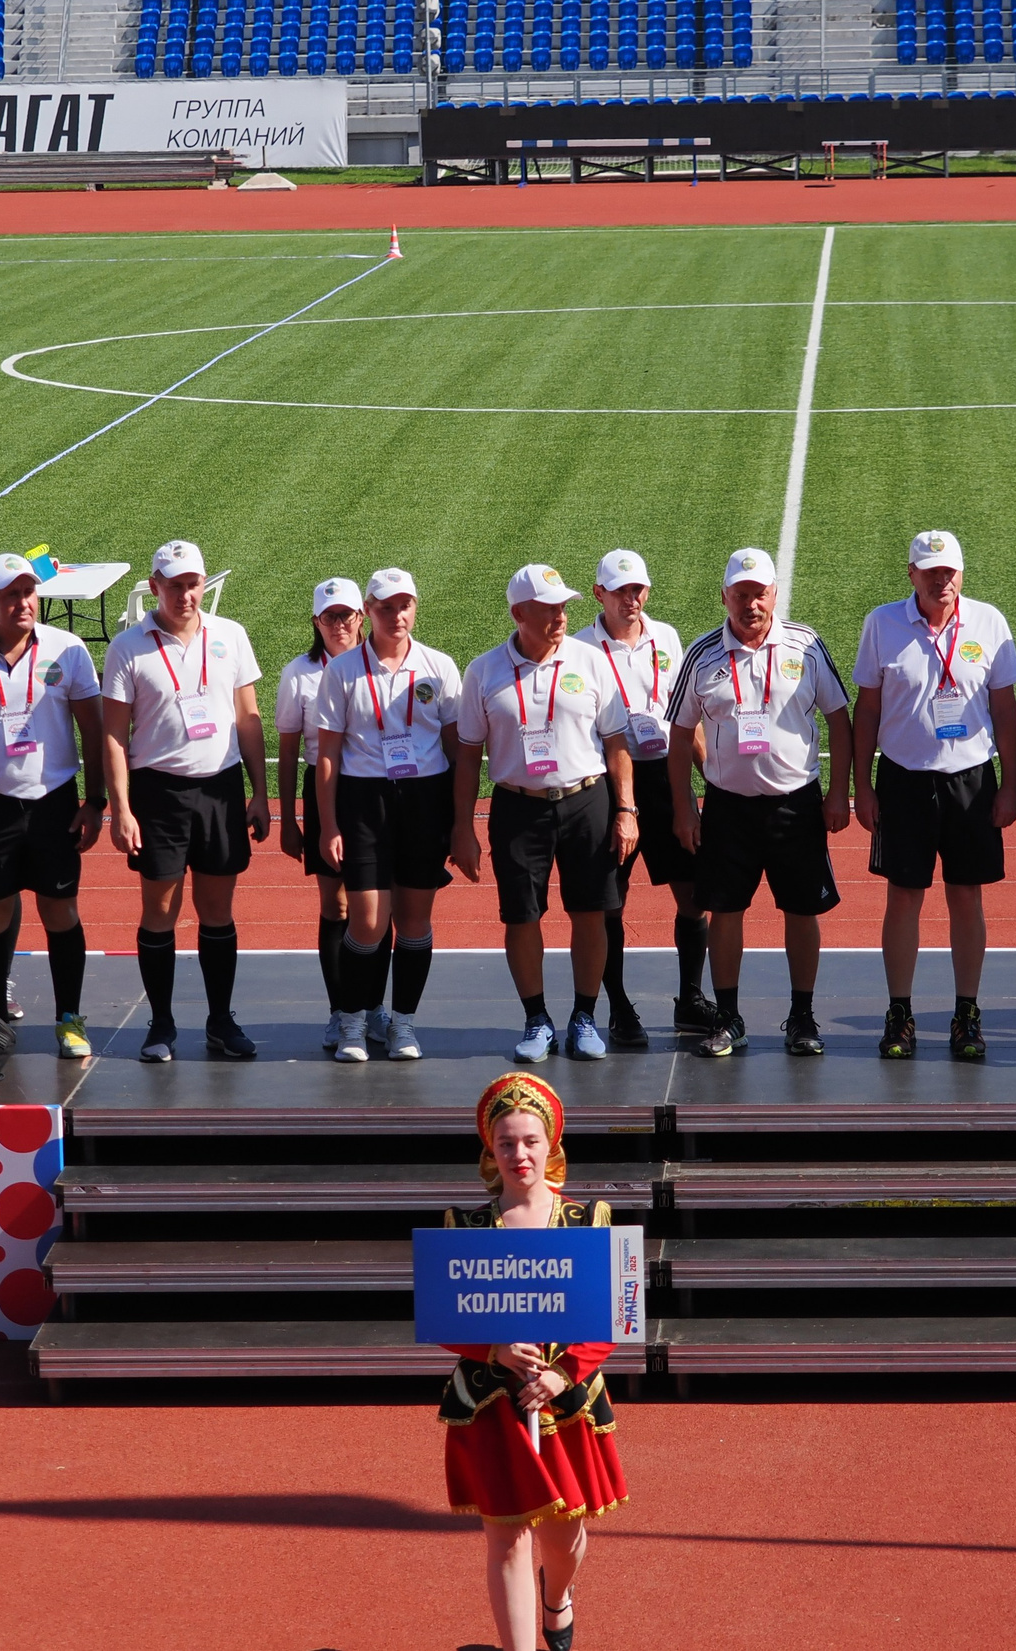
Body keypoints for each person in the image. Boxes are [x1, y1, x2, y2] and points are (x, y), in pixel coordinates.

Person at [440, 1071, 628, 1651]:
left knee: (563, 1534)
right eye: (506, 1143)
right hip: (494, 1403)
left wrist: (563, 1372)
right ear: (489, 1151)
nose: (519, 1155)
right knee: (506, 1535)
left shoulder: (592, 1220)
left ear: (551, 1145)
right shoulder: (465, 1226)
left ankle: (557, 1598)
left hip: (566, 1402)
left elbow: (618, 1312)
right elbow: (446, 1316)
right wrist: (491, 1348)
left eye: (529, 1141)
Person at [666, 548, 853, 1057]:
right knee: (726, 911)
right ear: (725, 596)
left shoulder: (807, 645)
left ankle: (802, 1016)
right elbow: (680, 735)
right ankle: (729, 1017)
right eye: (741, 594)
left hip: (798, 804)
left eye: (760, 593)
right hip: (729, 808)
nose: (752, 604)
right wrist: (685, 808)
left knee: (802, 910)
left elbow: (839, 717)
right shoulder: (702, 654)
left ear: (774, 594)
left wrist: (840, 792)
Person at [452, 564, 636, 1064]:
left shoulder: (591, 660)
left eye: (563, 606)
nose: (560, 615)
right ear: (518, 613)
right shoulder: (484, 671)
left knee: (592, 911)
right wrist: (462, 827)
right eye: (548, 607)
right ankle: (536, 1019)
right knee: (521, 917)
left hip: (587, 800)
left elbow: (616, 741)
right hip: (517, 807)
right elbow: (468, 754)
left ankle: (583, 1017)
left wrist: (626, 809)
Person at [850, 530, 1016, 1062]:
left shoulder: (989, 623)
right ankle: (899, 1012)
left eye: (949, 571)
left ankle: (966, 1012)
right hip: (903, 780)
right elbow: (869, 710)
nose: (941, 579)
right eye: (930, 571)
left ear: (961, 573)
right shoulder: (882, 623)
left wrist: (1013, 785)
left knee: (966, 895)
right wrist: (863, 785)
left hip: (971, 779)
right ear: (912, 574)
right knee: (903, 896)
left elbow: (1004, 711)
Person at [0, 553, 107, 1060]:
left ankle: (69, 1018)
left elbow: (93, 731)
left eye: (28, 592)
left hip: (54, 802)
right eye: (10, 594)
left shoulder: (68, 650)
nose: (23, 602)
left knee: (60, 910)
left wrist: (96, 801)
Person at [102, 540, 270, 1062]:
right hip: (159, 792)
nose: (186, 595)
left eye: (193, 583)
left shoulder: (231, 635)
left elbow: (248, 717)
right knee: (161, 911)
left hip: (220, 787)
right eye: (174, 585)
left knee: (217, 910)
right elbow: (112, 735)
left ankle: (221, 1021)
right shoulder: (129, 647)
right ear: (155, 586)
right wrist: (121, 808)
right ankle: (162, 1025)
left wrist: (259, 792)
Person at [314, 567, 463, 1063]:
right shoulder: (342, 671)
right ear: (369, 613)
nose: (396, 615)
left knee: (415, 920)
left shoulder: (439, 666)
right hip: (363, 800)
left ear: (415, 607)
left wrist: (459, 818)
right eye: (385, 607)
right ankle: (354, 1022)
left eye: (405, 605)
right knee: (368, 922)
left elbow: (454, 746)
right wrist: (329, 823)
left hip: (424, 797)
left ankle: (403, 1024)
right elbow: (329, 752)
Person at [583, 549, 713, 1046]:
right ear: (599, 593)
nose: (630, 599)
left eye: (637, 589)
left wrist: (709, 779)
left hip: (666, 778)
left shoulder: (668, 638)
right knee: (610, 902)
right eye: (619, 591)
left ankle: (690, 999)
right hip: (611, 782)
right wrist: (621, 803)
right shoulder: (581, 648)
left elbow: (686, 716)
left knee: (694, 895)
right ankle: (617, 1005)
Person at [278, 578, 366, 1052]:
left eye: (346, 615)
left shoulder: (375, 665)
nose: (339, 625)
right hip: (324, 791)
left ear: (361, 617)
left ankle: (371, 1006)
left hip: (372, 790)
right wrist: (289, 819)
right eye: (329, 617)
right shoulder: (300, 673)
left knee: (375, 904)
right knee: (336, 905)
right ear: (316, 622)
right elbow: (289, 751)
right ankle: (339, 1010)